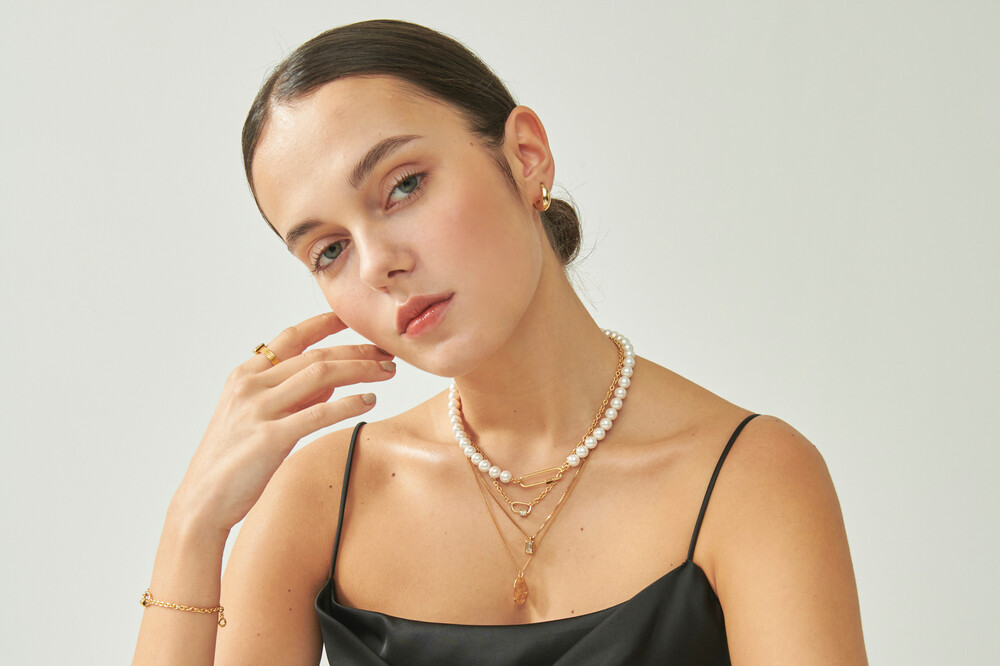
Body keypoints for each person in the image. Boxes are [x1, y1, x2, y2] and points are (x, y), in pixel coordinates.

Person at [132, 19, 867, 665]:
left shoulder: (750, 478)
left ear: (525, 155)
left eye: (402, 185)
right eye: (329, 250)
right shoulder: (321, 499)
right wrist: (192, 525)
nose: (379, 263)